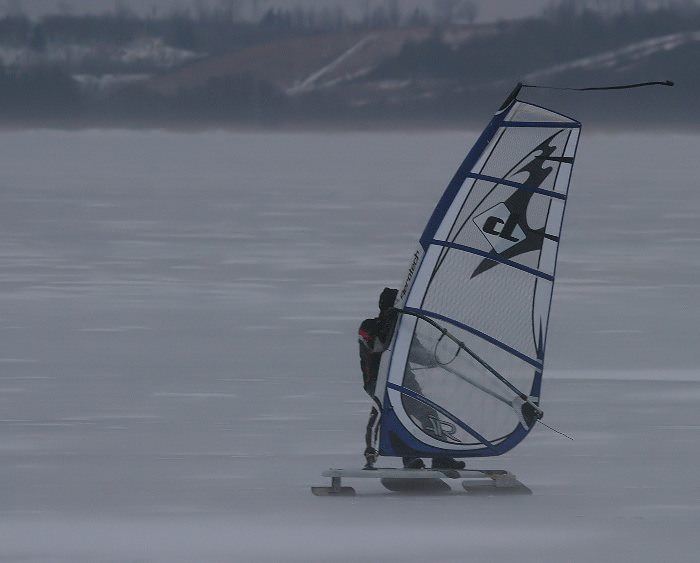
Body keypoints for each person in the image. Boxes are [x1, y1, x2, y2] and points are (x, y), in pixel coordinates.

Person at [358, 287, 465, 471]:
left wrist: (435, 359)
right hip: (379, 382)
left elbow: (417, 353)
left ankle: (441, 457)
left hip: (404, 380)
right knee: (398, 415)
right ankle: (409, 458)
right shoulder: (369, 326)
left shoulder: (404, 330)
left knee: (429, 414)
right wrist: (390, 324)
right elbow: (377, 346)